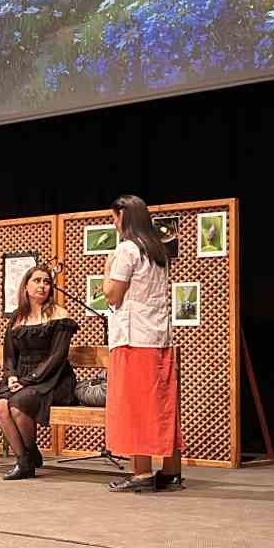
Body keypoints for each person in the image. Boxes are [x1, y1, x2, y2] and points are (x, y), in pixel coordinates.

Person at [102, 195, 182, 493]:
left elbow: (112, 296)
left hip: (133, 339)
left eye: (114, 218)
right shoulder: (157, 251)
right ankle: (171, 471)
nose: (114, 224)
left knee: (136, 406)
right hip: (158, 338)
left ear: (125, 218)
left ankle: (141, 473)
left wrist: (108, 265)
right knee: (159, 405)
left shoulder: (126, 250)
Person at [0, 265, 78, 481]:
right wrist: (11, 376)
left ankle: (26, 457)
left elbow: (57, 357)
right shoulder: (17, 317)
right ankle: (25, 458)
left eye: (46, 282)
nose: (42, 286)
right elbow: (9, 355)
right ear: (26, 286)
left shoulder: (59, 314)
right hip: (21, 378)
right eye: (37, 281)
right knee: (0, 405)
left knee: (19, 404)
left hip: (54, 378)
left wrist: (28, 380)